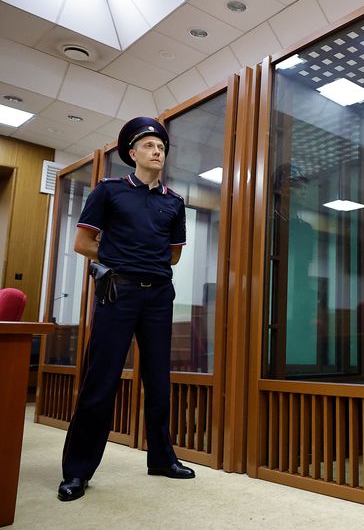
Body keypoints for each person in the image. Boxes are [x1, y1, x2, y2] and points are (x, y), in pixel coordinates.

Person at [58, 117, 195, 502]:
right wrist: (120, 257)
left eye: (162, 148)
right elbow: (83, 243)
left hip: (158, 297)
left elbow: (173, 256)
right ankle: (77, 472)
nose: (157, 152)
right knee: (100, 381)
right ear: (132, 154)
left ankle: (161, 459)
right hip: (117, 293)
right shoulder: (109, 191)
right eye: (150, 146)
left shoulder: (174, 202)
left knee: (158, 380)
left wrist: (141, 261)